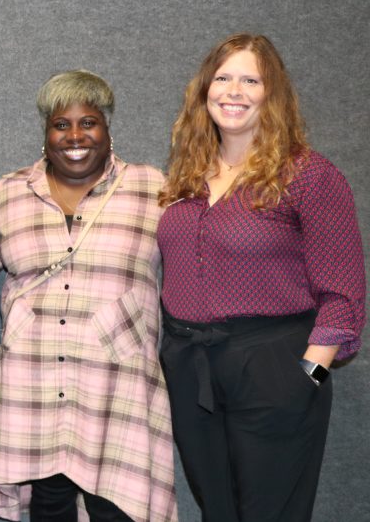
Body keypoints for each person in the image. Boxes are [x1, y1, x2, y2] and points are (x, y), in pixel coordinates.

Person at [157, 33, 366, 522]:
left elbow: (343, 295)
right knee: (219, 511)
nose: (234, 91)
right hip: (191, 366)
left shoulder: (309, 176)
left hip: (274, 365)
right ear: (204, 89)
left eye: (251, 79)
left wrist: (307, 378)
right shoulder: (186, 177)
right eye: (223, 78)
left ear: (272, 94)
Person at [0, 70, 177, 522]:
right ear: (46, 134)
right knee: (49, 505)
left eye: (88, 122)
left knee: (116, 507)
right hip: (35, 379)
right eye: (61, 124)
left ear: (107, 128)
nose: (75, 135)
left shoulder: (153, 189)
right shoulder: (10, 193)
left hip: (117, 383)